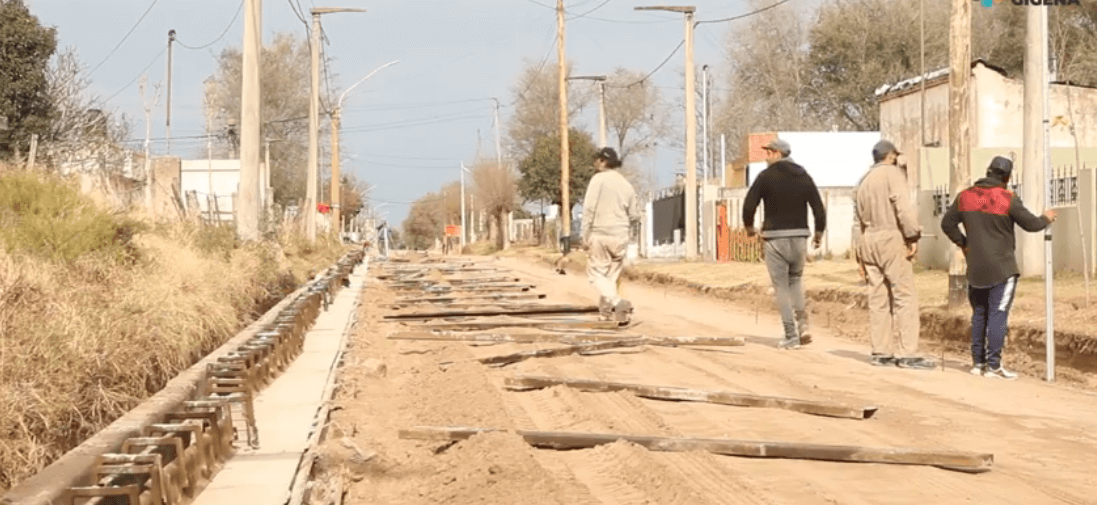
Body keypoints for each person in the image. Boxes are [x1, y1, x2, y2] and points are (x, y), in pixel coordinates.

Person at [940, 156, 1056, 379]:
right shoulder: (1007, 198)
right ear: (1007, 178)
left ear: (987, 171)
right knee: (998, 315)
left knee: (980, 314)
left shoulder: (965, 197)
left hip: (975, 267)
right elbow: (1032, 224)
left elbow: (947, 223)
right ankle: (994, 366)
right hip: (1002, 268)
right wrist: (1046, 218)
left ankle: (978, 364)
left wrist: (963, 244)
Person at [852, 140, 932, 369]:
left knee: (878, 297)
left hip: (868, 239)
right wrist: (912, 236)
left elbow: (857, 219)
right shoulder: (893, 174)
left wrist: (859, 251)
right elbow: (903, 208)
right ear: (891, 155)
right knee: (904, 294)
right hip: (890, 236)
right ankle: (907, 352)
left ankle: (881, 351)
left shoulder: (864, 180)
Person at [742, 138, 826, 350]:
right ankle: (803, 325)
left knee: (780, 286)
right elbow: (817, 206)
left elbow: (749, 204)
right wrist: (818, 232)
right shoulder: (803, 175)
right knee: (795, 280)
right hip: (799, 237)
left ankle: (790, 335)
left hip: (775, 237)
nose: (766, 156)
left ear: (778, 154)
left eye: (769, 152)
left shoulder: (765, 177)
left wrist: (749, 227)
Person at [581, 147, 640, 323]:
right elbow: (635, 214)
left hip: (601, 233)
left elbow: (589, 208)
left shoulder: (598, 180)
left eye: (596, 159)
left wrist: (585, 235)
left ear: (603, 161)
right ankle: (606, 314)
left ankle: (618, 302)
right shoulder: (626, 184)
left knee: (596, 274)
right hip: (621, 235)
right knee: (611, 278)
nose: (594, 162)